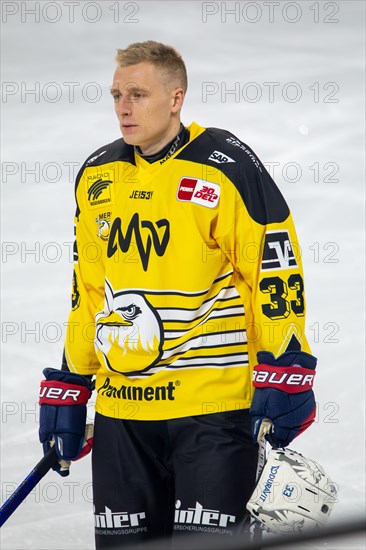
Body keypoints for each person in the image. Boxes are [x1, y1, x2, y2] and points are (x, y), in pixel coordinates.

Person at [38, 41, 317, 548]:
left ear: (175, 98)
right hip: (123, 415)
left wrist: (287, 362)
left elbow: (273, 268)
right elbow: (89, 292)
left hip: (212, 416)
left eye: (138, 94)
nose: (123, 107)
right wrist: (72, 380)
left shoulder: (223, 165)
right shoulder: (98, 176)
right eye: (117, 94)